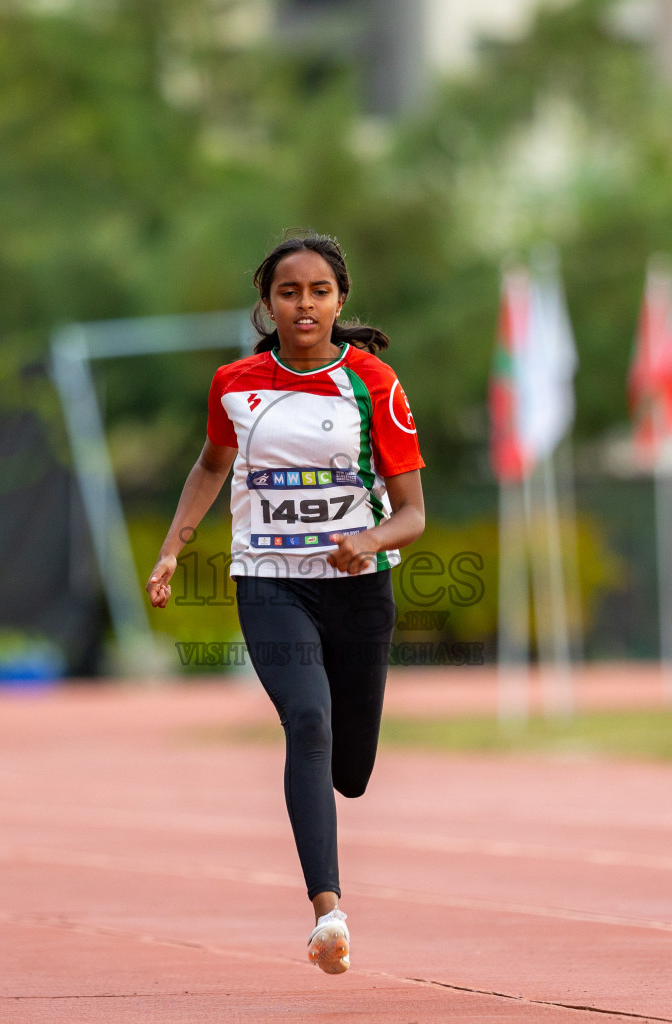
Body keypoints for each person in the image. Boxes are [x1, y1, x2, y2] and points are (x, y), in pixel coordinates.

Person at [146, 234, 425, 974]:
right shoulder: (235, 383)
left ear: (341, 299)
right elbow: (210, 465)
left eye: (320, 291)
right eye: (289, 292)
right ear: (267, 303)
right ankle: (328, 913)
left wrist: (367, 541)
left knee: (351, 768)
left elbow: (413, 514)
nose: (305, 304)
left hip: (360, 591)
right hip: (270, 581)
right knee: (307, 720)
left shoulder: (373, 383)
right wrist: (174, 547)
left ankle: (334, 798)